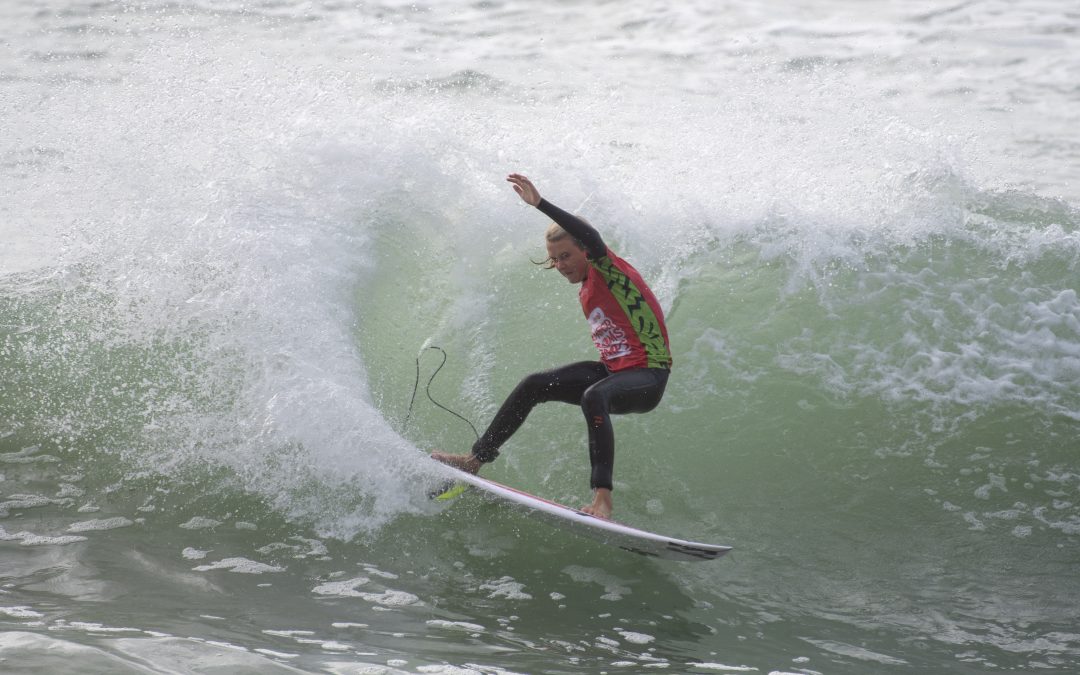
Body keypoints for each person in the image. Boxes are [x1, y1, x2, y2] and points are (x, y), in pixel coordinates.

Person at [432, 173, 672, 520]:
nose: (559, 266)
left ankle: (602, 499)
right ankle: (474, 461)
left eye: (565, 256)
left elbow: (591, 236)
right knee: (534, 384)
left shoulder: (609, 270)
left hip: (648, 376)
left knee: (594, 395)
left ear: (585, 251)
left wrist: (540, 204)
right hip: (616, 371)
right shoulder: (588, 282)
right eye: (554, 259)